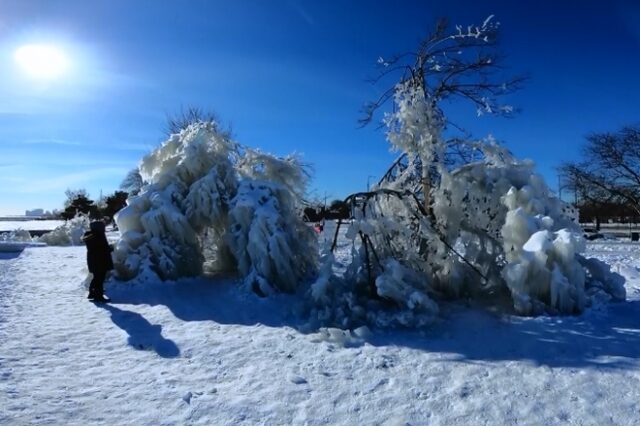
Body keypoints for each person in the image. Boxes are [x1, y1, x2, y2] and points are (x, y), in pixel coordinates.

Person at [81, 220, 114, 302]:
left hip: (94, 260)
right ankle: (98, 296)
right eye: (102, 226)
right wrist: (110, 248)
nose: (104, 228)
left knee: (96, 277)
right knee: (99, 279)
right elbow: (102, 248)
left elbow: (97, 247)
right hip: (100, 261)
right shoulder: (98, 235)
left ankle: (92, 293)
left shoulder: (90, 236)